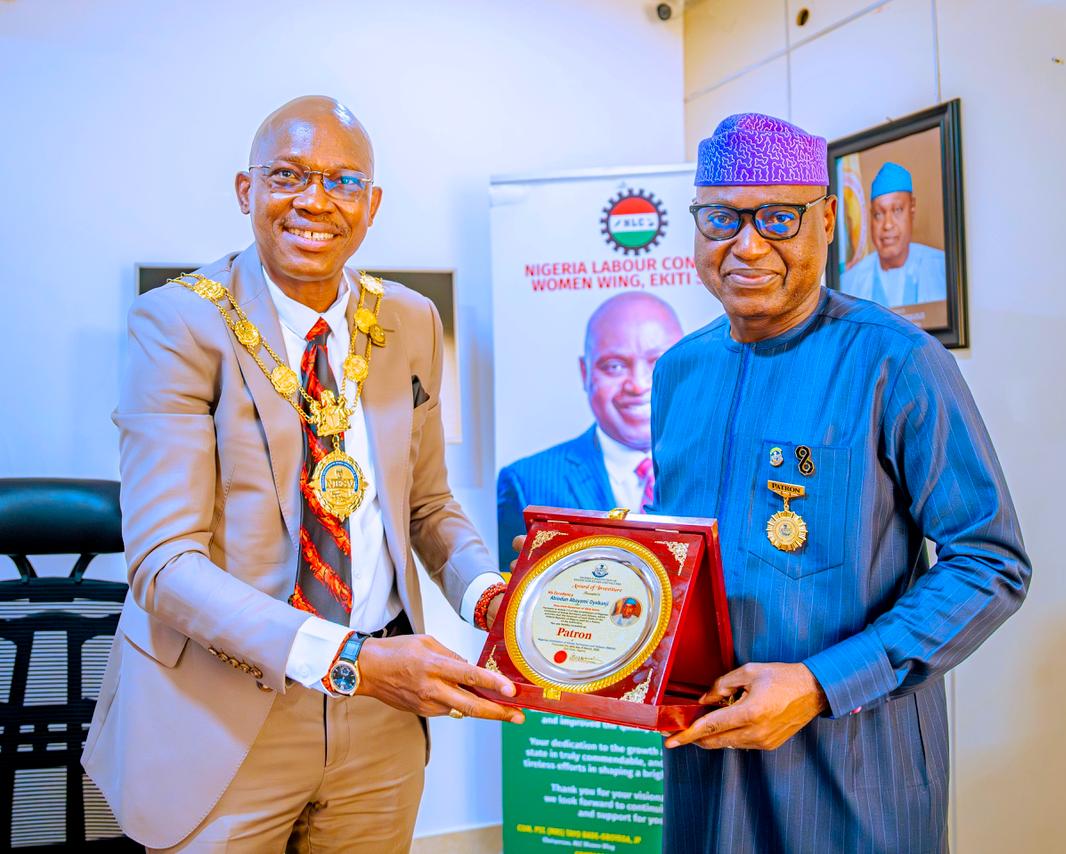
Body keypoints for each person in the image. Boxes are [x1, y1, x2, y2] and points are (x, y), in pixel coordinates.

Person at [82, 96, 522, 853]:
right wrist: (349, 660)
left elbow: (426, 506)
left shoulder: (410, 319)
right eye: (288, 175)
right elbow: (163, 563)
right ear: (246, 190)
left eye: (343, 181)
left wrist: (488, 596)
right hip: (224, 704)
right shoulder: (179, 323)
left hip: (381, 720)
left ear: (372, 205)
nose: (316, 201)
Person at [655, 113, 1029, 852]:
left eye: (779, 218)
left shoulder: (897, 362)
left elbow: (991, 561)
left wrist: (822, 683)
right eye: (721, 218)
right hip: (706, 756)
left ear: (826, 223)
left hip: (851, 761)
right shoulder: (678, 371)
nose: (747, 245)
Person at [496, 292, 682, 568]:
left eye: (658, 363)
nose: (639, 384)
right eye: (615, 366)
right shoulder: (526, 483)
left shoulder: (724, 468)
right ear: (585, 373)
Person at [841, 161, 947, 306]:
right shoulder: (848, 283)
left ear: (912, 208)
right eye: (878, 214)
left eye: (897, 210)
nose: (888, 225)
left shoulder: (942, 269)